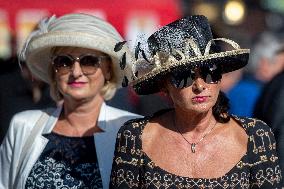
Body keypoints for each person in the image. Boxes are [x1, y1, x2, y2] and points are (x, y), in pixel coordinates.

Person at [110, 15, 282, 188]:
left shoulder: (255, 136)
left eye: (210, 72)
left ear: (220, 77)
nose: (199, 85)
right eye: (184, 77)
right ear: (164, 86)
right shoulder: (135, 136)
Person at [0, 13, 140, 189]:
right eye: (64, 62)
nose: (76, 72)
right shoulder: (23, 125)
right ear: (54, 71)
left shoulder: (132, 132)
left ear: (108, 70)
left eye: (89, 61)